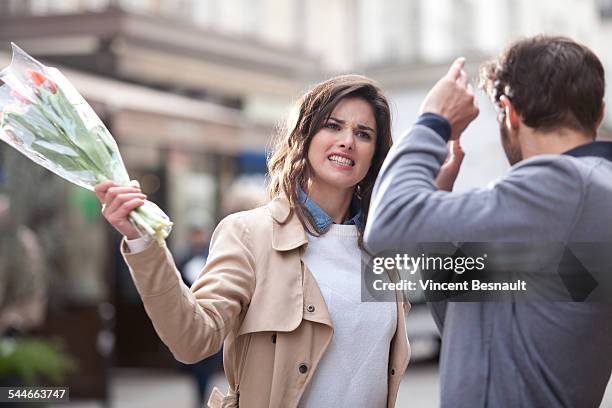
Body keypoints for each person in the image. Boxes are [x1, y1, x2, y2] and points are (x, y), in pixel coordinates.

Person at [94, 75, 462, 407]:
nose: (347, 141)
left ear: (374, 155)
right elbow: (192, 340)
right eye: (332, 126)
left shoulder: (380, 247)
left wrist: (437, 205)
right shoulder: (250, 234)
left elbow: (467, 304)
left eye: (363, 133)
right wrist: (144, 242)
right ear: (305, 137)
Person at [364, 36, 612, 407]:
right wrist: (438, 210)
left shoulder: (561, 182)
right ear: (598, 111)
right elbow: (471, 329)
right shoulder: (587, 191)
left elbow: (387, 223)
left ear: (509, 112)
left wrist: (434, 121)